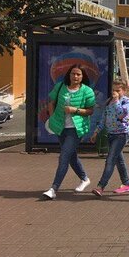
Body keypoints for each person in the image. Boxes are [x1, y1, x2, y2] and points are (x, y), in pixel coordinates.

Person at [41, 64, 96, 200]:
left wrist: (75, 110)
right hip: (60, 127)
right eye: (73, 74)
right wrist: (53, 116)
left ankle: (53, 189)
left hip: (76, 129)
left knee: (64, 156)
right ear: (69, 75)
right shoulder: (60, 86)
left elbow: (90, 111)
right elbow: (51, 102)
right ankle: (84, 178)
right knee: (71, 156)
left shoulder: (87, 91)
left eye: (78, 74)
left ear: (83, 77)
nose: (75, 76)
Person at [90, 79, 129, 197]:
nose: (115, 93)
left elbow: (121, 115)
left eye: (118, 90)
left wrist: (117, 101)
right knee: (119, 161)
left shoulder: (126, 102)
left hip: (121, 135)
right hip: (110, 134)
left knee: (110, 160)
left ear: (124, 91)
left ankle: (101, 186)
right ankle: (126, 184)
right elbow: (104, 118)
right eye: (113, 90)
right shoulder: (109, 102)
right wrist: (96, 132)